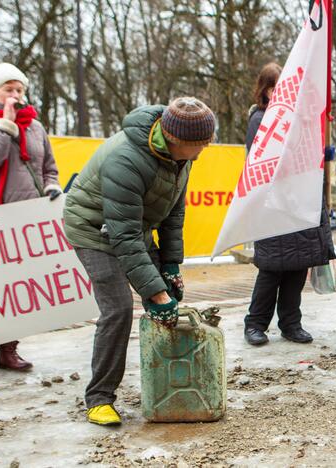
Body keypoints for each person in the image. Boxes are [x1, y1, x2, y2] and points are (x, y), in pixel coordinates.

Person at [63, 97, 216, 426]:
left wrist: (171, 267)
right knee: (118, 308)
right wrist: (155, 293)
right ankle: (99, 398)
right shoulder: (126, 159)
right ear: (176, 140)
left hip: (132, 226)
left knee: (169, 298)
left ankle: (168, 384)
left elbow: (174, 214)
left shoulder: (181, 156)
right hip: (93, 229)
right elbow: (124, 238)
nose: (202, 151)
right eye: (199, 145)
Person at [0, 63, 61, 377]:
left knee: (18, 286)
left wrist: (51, 186)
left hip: (28, 216)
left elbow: (48, 166)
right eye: (9, 89)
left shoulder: (35, 126)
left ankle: (9, 350)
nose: (16, 95)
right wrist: (5, 124)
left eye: (19, 89)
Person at [243, 62, 336, 346]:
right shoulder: (260, 119)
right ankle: (255, 324)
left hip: (301, 205)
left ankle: (290, 323)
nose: (280, 93)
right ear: (266, 90)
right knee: (272, 270)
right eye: (274, 88)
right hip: (275, 207)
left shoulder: (301, 119)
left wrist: (322, 153)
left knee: (297, 268)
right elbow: (266, 159)